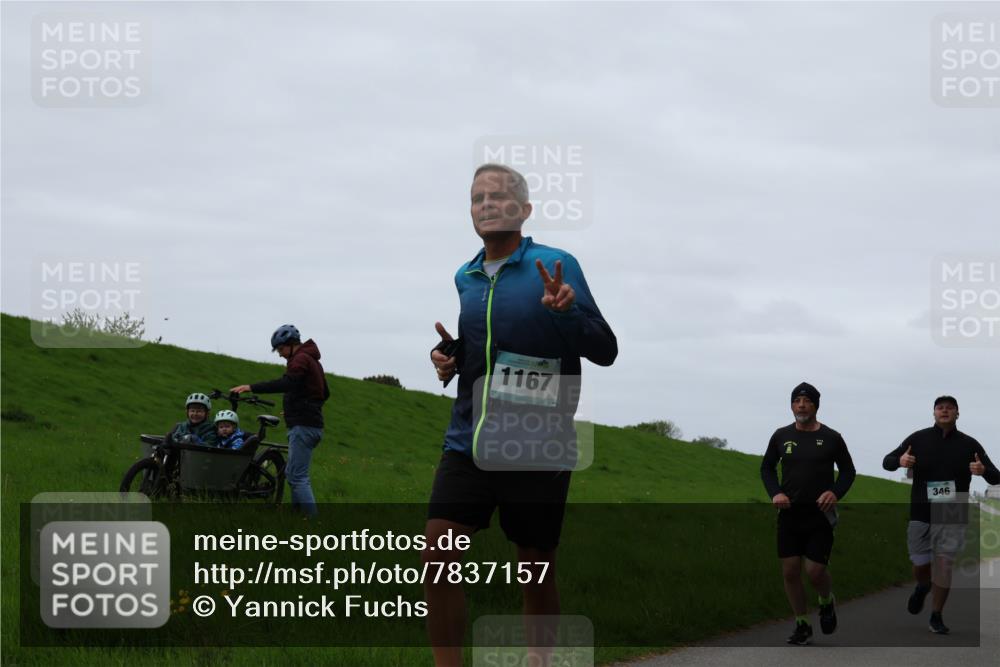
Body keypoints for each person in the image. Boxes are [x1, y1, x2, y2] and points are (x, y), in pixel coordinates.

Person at [423, 164, 618, 666]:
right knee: (437, 556)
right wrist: (449, 357)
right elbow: (485, 346)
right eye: (477, 198)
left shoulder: (555, 264)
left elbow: (605, 349)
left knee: (534, 571)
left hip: (536, 444)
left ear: (525, 210)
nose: (486, 204)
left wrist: (565, 312)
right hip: (468, 441)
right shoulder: (466, 277)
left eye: (499, 196)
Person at [882, 395, 999, 634]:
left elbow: (996, 476)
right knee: (920, 564)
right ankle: (923, 585)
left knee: (944, 563)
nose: (944, 411)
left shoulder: (969, 444)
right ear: (934, 413)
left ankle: (936, 615)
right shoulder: (918, 438)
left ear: (957, 413)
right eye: (940, 408)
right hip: (921, 508)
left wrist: (983, 470)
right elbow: (887, 461)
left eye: (950, 408)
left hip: (952, 508)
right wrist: (900, 460)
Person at [760, 382, 856, 646]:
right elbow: (767, 468)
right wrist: (775, 493)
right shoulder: (781, 436)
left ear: (816, 406)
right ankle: (802, 624)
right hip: (789, 513)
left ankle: (826, 601)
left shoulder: (832, 437)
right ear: (791, 405)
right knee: (790, 571)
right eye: (796, 401)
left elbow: (848, 471)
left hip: (820, 514)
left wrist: (835, 492)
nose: (801, 405)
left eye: (807, 401)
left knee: (814, 571)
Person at [231, 324, 329, 517]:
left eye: (281, 349)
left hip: (304, 426)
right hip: (308, 423)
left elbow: (287, 383)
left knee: (298, 477)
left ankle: (314, 523)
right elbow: (324, 393)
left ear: (291, 344)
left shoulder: (300, 359)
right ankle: (298, 518)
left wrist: (251, 387)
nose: (280, 354)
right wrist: (297, 408)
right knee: (293, 475)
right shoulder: (312, 360)